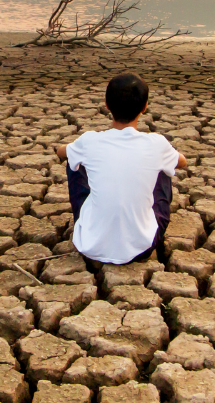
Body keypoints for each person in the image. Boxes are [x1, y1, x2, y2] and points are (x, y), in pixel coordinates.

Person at [55, 72, 187, 265]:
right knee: (165, 167)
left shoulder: (90, 141)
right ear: (144, 107)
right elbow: (181, 162)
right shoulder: (157, 144)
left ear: (107, 105)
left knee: (74, 161)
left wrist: (78, 152)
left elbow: (61, 152)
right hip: (143, 247)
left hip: (91, 245)